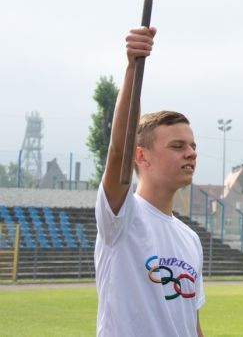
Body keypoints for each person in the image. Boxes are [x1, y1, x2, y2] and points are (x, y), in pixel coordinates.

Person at [95, 26, 205, 337]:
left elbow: (192, 325)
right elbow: (119, 149)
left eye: (192, 146)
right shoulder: (121, 218)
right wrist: (133, 67)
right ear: (141, 156)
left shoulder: (190, 239)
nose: (191, 153)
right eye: (177, 146)